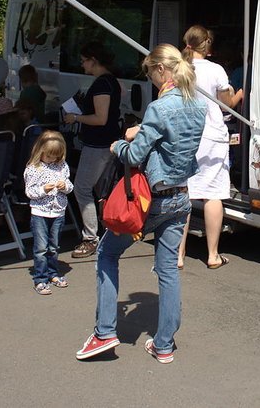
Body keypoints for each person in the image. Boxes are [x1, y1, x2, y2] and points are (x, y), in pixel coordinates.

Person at [76, 44, 205, 364]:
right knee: (168, 272)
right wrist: (141, 132)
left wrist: (120, 142)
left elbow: (134, 156)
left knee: (106, 253)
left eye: (150, 73)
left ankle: (105, 333)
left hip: (150, 201)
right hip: (180, 198)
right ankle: (164, 344)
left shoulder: (160, 108)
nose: (150, 79)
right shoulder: (199, 105)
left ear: (162, 70)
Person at [178, 25, 241, 270]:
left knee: (184, 193)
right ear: (208, 46)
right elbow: (227, 105)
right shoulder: (216, 70)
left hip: (185, 135)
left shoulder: (180, 68)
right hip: (212, 135)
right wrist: (241, 92)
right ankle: (213, 255)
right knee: (212, 194)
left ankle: (178, 255)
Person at [62, 42, 122, 258]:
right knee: (100, 190)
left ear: (93, 60)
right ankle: (107, 231)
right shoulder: (109, 82)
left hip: (98, 145)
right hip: (105, 143)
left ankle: (90, 237)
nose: (81, 64)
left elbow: (100, 118)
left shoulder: (102, 84)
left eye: (84, 60)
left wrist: (75, 117)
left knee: (82, 188)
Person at [24, 130, 73, 295]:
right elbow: (29, 192)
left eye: (56, 157)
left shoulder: (62, 166)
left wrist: (64, 186)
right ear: (40, 152)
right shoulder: (33, 169)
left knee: (54, 246)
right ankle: (40, 278)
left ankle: (53, 273)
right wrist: (43, 190)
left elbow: (69, 186)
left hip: (58, 211)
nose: (53, 160)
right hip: (40, 212)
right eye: (49, 156)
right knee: (40, 248)